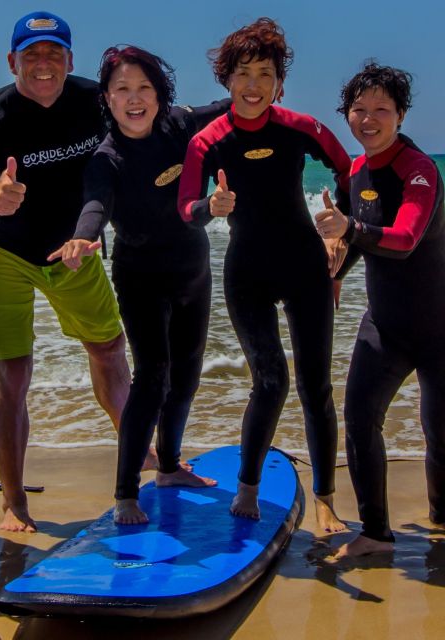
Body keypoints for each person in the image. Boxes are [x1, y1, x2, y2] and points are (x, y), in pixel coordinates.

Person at [0, 11, 131, 533]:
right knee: (13, 374)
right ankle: (14, 500)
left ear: (70, 60)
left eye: (53, 54)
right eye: (30, 55)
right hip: (2, 254)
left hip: (73, 249)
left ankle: (139, 450)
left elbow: (147, 131)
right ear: (12, 62)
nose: (42, 64)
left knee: (108, 348)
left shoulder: (94, 101)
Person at [177, 18, 350, 529]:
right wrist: (213, 204)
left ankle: (325, 499)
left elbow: (351, 172)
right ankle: (249, 485)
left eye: (265, 74)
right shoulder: (208, 141)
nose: (253, 85)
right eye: (244, 73)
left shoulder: (302, 127)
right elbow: (185, 207)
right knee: (270, 381)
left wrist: (342, 228)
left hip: (304, 266)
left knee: (316, 386)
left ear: (279, 82)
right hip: (247, 270)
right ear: (226, 79)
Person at [48, 46, 229, 524]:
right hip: (141, 277)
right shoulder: (106, 159)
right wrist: (83, 238)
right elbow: (95, 205)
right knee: (152, 376)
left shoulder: (180, 124)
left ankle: (169, 468)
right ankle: (126, 491)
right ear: (106, 98)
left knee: (187, 374)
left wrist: (260, 90)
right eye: (122, 89)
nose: (134, 99)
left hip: (194, 269)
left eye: (143, 88)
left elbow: (236, 104)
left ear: (159, 93)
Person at [315, 63, 445, 557]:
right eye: (359, 109)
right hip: (386, 324)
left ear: (401, 114)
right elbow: (357, 239)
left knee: (440, 434)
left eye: (381, 110)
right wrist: (335, 271)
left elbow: (406, 237)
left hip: (439, 329)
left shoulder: (419, 170)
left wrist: (349, 231)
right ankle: (375, 533)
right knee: (360, 417)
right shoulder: (354, 170)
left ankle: (441, 523)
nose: (368, 119)